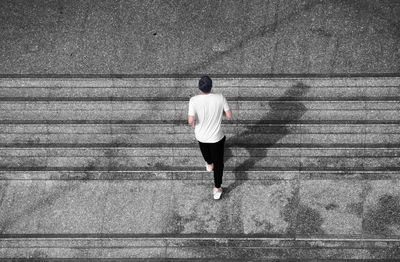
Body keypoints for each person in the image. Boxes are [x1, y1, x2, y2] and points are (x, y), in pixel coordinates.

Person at [188, 76, 232, 199]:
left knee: (205, 150)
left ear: (199, 88)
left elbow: (190, 120)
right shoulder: (220, 98)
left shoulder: (193, 100)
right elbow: (229, 115)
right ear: (211, 86)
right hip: (216, 137)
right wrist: (220, 112)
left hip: (201, 135)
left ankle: (208, 164)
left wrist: (193, 123)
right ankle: (217, 189)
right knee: (219, 164)